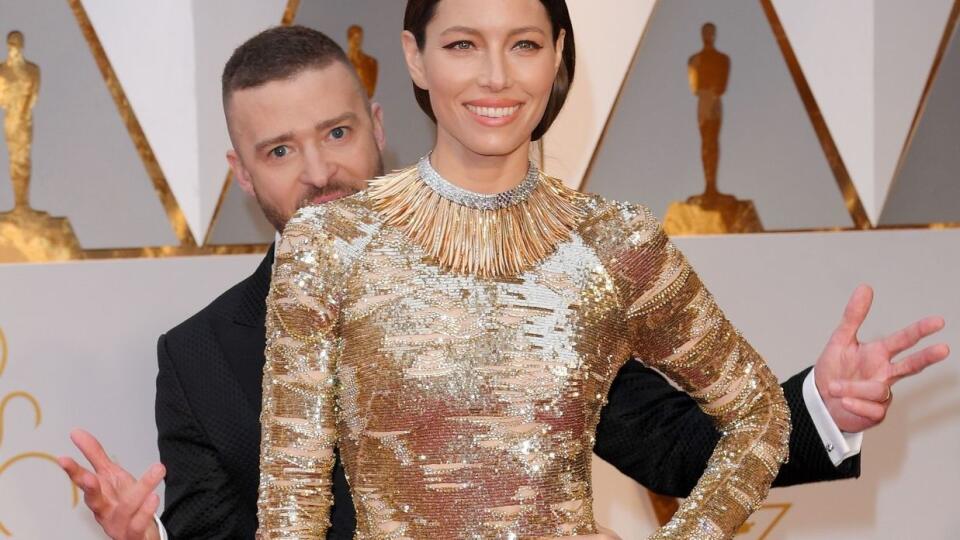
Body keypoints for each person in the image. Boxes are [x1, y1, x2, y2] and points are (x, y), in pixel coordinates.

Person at [58, 23, 949, 540]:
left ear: (378, 124)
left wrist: (819, 406)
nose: (320, 172)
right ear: (241, 174)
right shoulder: (198, 363)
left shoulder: (542, 272)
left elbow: (678, 444)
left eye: (335, 134)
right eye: (280, 150)